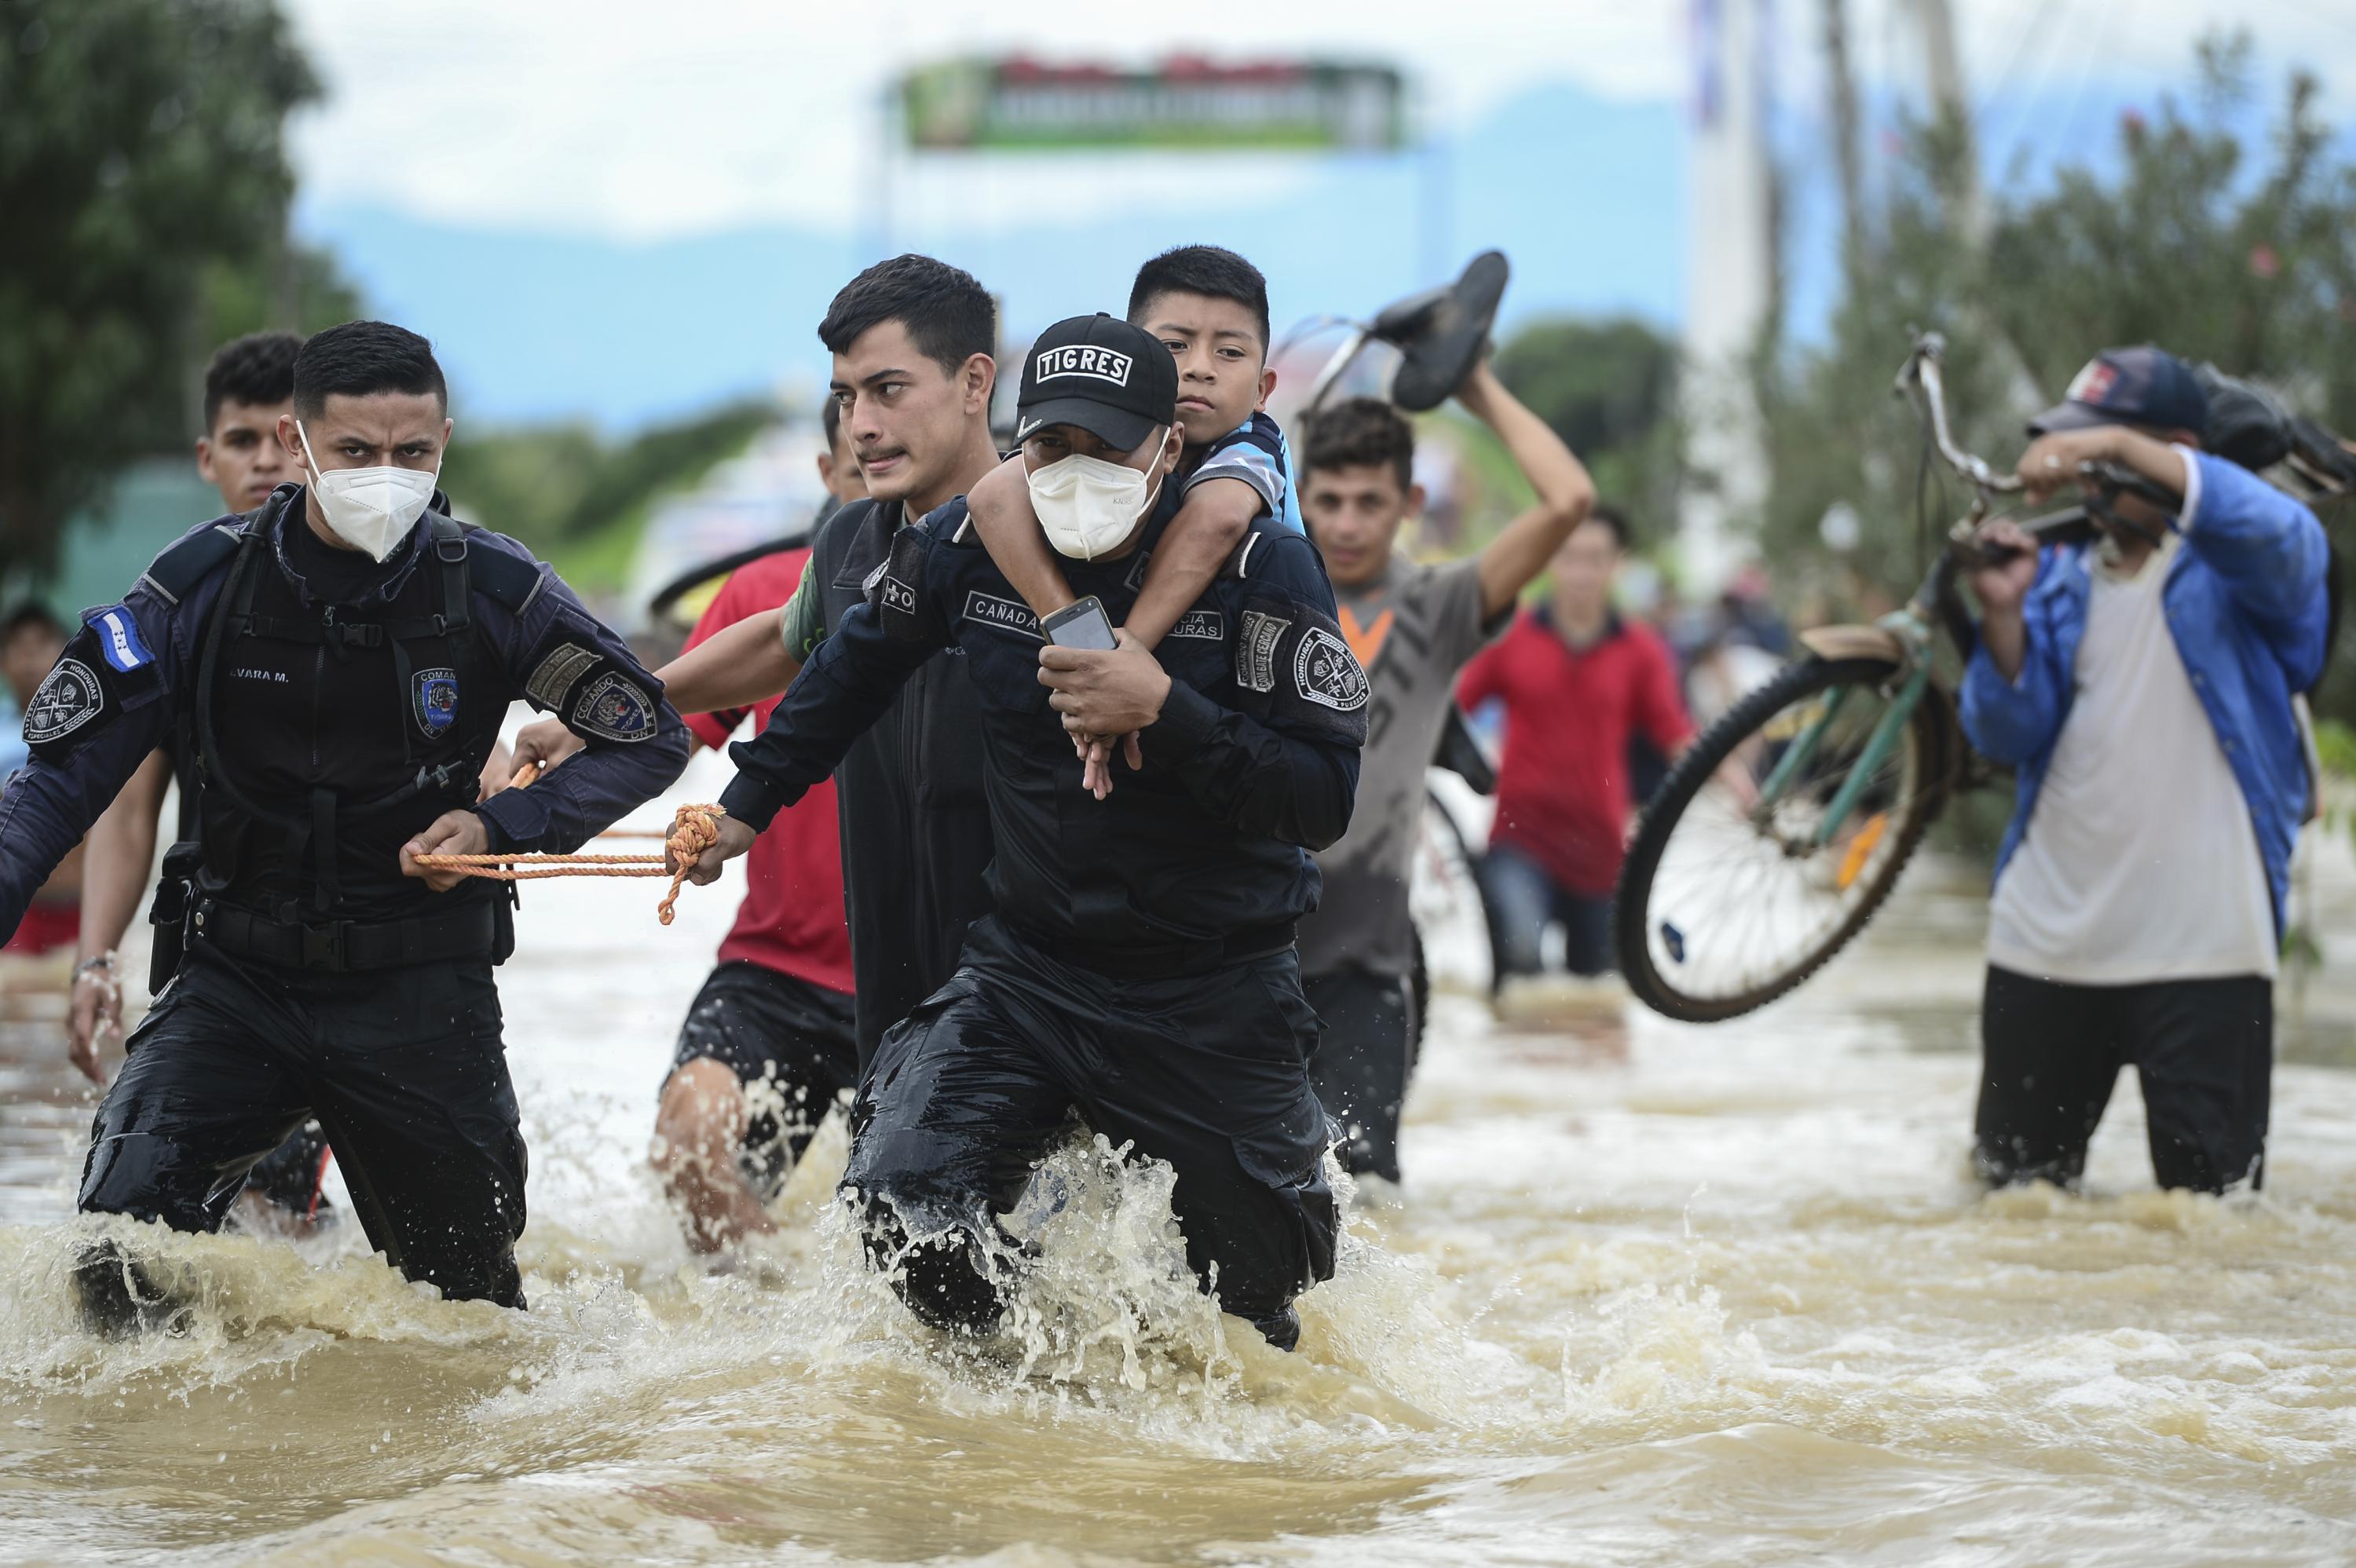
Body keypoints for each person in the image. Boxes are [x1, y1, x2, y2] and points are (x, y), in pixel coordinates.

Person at [678, 313, 1367, 1350]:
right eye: (1051, 447)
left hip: (1214, 986)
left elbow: (1321, 797)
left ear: (1168, 449)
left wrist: (1169, 712)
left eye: (1107, 450)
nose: (1074, 471)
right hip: (1032, 971)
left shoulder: (1263, 572)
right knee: (899, 1203)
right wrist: (744, 806)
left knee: (1256, 1305)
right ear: (1021, 441)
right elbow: (846, 673)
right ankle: (1026, 1395)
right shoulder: (971, 544)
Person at [0, 320, 689, 1327]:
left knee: (472, 1322)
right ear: (300, 440)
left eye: (414, 453)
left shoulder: (494, 589)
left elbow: (650, 736)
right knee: (116, 1256)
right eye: (358, 452)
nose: (387, 475)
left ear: (445, 440)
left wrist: (510, 824)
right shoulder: (198, 588)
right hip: (238, 982)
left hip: (419, 990)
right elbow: (56, 784)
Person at [1963, 345, 2328, 1195]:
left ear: (2169, 449)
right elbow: (2006, 733)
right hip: (2046, 942)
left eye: (2104, 458)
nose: (2086, 478)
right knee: (2008, 1227)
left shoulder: (2244, 578)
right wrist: (2004, 617)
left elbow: (2289, 538)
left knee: (2210, 1236)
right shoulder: (2057, 577)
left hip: (2206, 951)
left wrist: (2129, 451)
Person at [64, 332, 342, 1231]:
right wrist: (95, 958)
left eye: (285, 437)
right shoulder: (175, 611)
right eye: (242, 441)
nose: (267, 459)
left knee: (285, 1220)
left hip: (357, 959)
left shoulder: (391, 592)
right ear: (206, 458)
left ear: (318, 443)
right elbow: (126, 800)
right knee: (153, 1223)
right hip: (219, 960)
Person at [1293, 367, 1597, 1184]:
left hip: (1368, 964)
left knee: (1361, 1202)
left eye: (1370, 502)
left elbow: (1568, 500)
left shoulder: (1437, 606)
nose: (1347, 522)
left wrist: (1476, 385)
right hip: (1250, 956)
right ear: (1299, 496)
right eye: (1328, 500)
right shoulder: (1264, 592)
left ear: (1409, 506)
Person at [966, 245, 1301, 795]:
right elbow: (993, 499)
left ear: (1263, 389)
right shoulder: (1104, 436)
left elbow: (1214, 522)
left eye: (1230, 353)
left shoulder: (1252, 443)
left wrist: (1114, 665)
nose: (1199, 367)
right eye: (1174, 345)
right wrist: (1087, 653)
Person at [651, 400, 866, 1253]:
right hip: (778, 970)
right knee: (689, 1146)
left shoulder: (996, 584)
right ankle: (779, 1350)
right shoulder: (765, 593)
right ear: (829, 475)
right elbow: (660, 740)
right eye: (862, 467)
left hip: (934, 980)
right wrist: (514, 804)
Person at [1458, 506, 1693, 979]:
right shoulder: (1513, 636)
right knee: (1520, 963)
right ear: (1550, 561)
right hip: (1519, 840)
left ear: (1616, 564)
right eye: (1570, 557)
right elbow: (1449, 710)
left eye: (1595, 558)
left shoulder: (1642, 651)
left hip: (1602, 856)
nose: (1581, 572)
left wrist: (1743, 799)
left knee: (1595, 1001)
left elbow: (1678, 738)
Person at [0, 604, 82, 958]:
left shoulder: (90, 730)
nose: (32, 659)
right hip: (17, 908)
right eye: (21, 648)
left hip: (81, 905)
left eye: (42, 645)